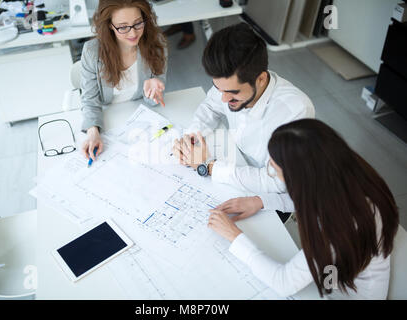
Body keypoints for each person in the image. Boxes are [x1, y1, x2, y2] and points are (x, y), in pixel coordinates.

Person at [208, 119, 399, 299]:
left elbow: (283, 283)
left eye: (275, 169)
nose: (272, 173)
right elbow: (313, 199)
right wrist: (261, 201)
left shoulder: (341, 224)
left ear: (300, 176)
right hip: (332, 275)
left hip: (341, 292)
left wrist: (235, 237)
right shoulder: (343, 173)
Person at [172, 23, 315, 213]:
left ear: (261, 79)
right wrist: (191, 139)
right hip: (234, 166)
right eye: (218, 88)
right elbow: (210, 106)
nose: (223, 98)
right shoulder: (227, 85)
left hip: (267, 197)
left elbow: (276, 182)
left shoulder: (295, 112)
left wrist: (209, 166)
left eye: (232, 93)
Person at [80, 0, 167, 161]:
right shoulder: (92, 52)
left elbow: (154, 103)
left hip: (139, 121)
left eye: (138, 23)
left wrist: (153, 93)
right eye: (123, 27)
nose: (133, 34)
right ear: (109, 26)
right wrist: (93, 133)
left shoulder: (157, 45)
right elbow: (90, 101)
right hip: (108, 119)